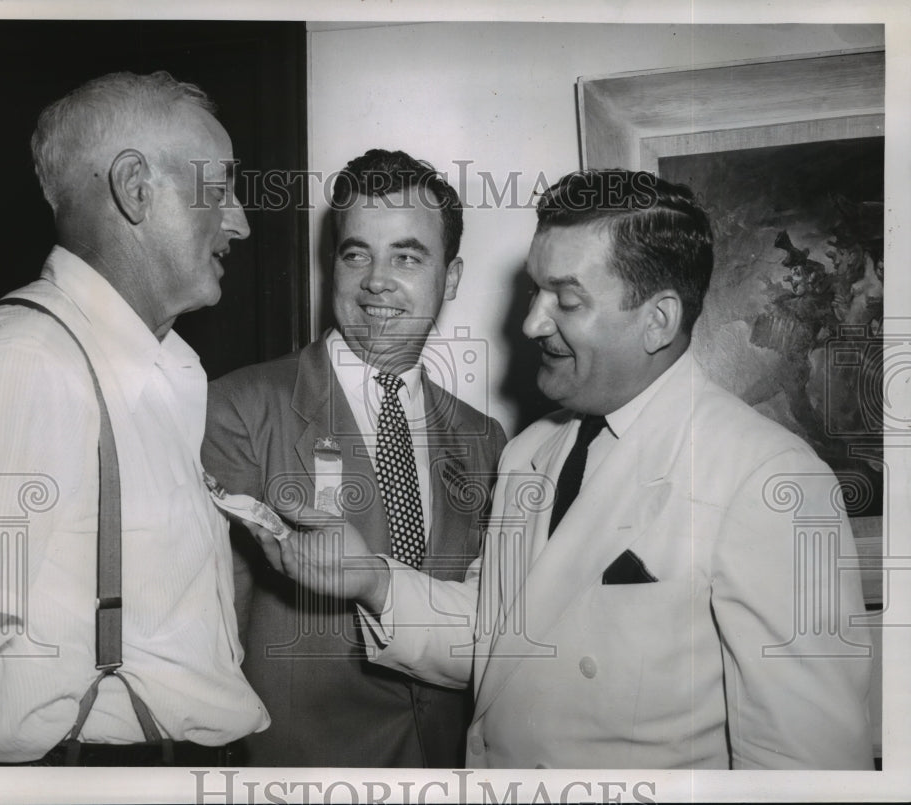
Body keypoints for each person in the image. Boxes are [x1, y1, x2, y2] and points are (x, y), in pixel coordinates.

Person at [250, 170, 875, 769]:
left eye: (566, 301)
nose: (531, 323)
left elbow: (803, 765)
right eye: (535, 289)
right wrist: (373, 581)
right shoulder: (530, 452)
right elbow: (501, 641)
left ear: (657, 320)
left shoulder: (767, 480)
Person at [0, 71, 269, 766]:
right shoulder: (22, 362)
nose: (239, 218)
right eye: (221, 186)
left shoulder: (171, 368)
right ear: (136, 187)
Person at [202, 149, 507, 767]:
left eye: (407, 255)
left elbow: (490, 626)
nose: (376, 280)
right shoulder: (239, 406)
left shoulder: (487, 440)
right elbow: (211, 628)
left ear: (450, 278)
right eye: (355, 253)